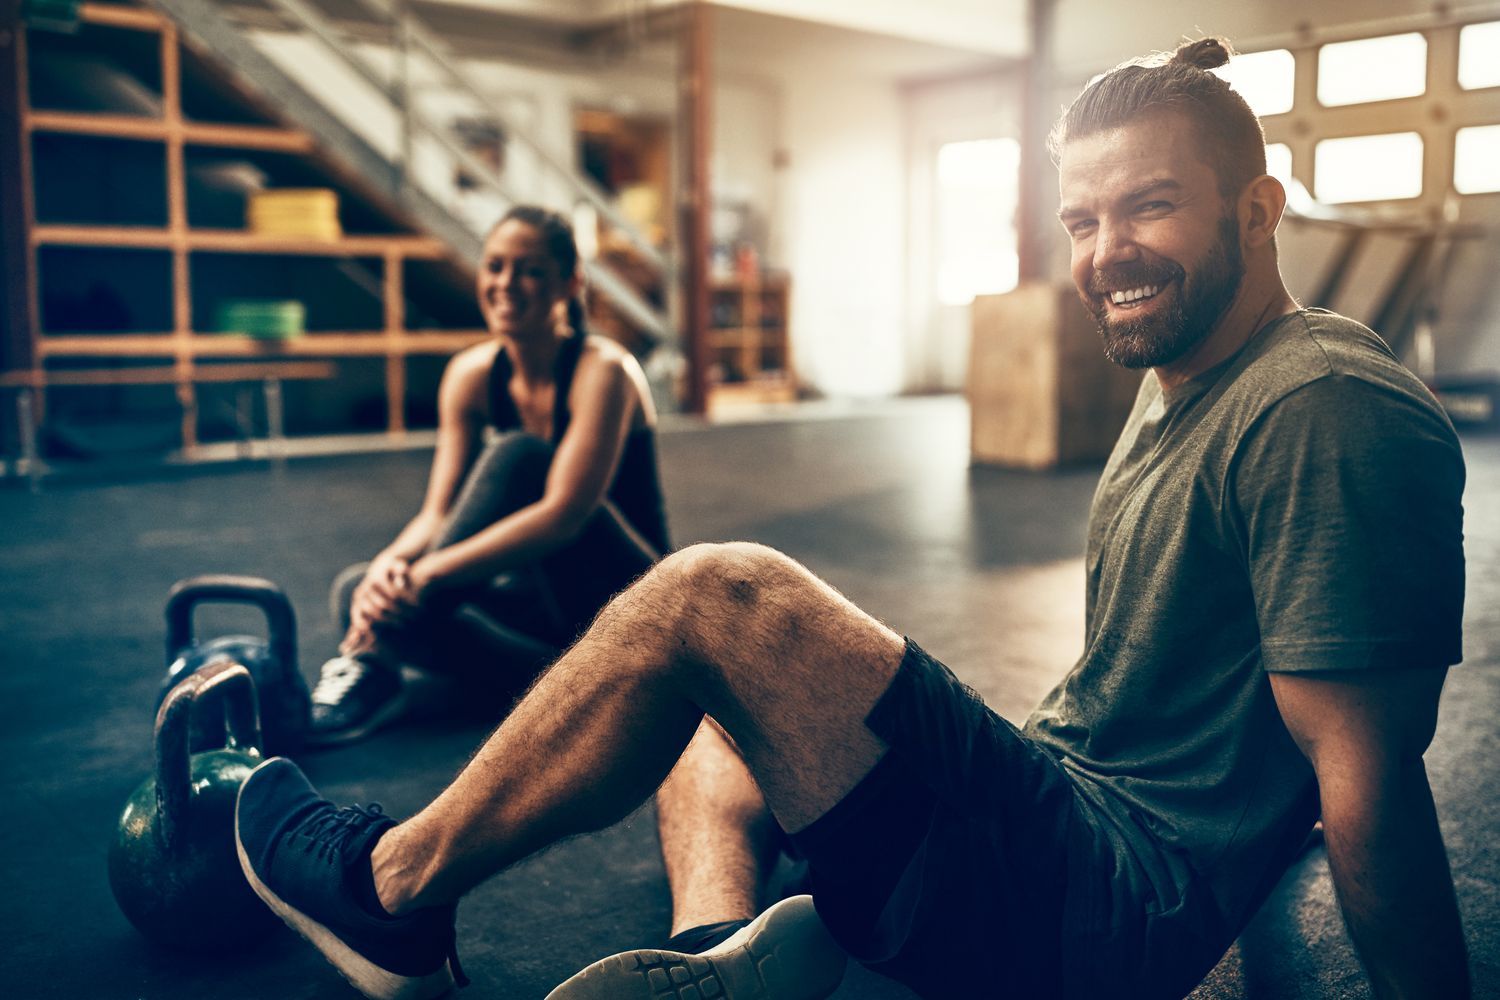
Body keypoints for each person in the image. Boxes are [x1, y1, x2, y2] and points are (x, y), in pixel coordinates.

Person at [235, 37, 1470, 1000]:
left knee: (718, 596)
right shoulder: (1190, 378)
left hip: (1098, 904)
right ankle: (716, 953)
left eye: (1150, 208)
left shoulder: (1322, 407)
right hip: (1061, 803)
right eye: (1082, 222)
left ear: (1257, 211)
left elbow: (1369, 775)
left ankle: (389, 888)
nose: (1105, 254)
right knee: (710, 702)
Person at [308, 205, 670, 746]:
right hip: (550, 628)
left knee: (521, 457)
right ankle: (555, 685)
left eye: (529, 270)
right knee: (358, 590)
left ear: (570, 283)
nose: (507, 284)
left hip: (639, 608)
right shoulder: (471, 375)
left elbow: (563, 515)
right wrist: (393, 566)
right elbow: (437, 513)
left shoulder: (605, 370)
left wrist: (425, 577)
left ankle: (374, 658)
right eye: (495, 267)